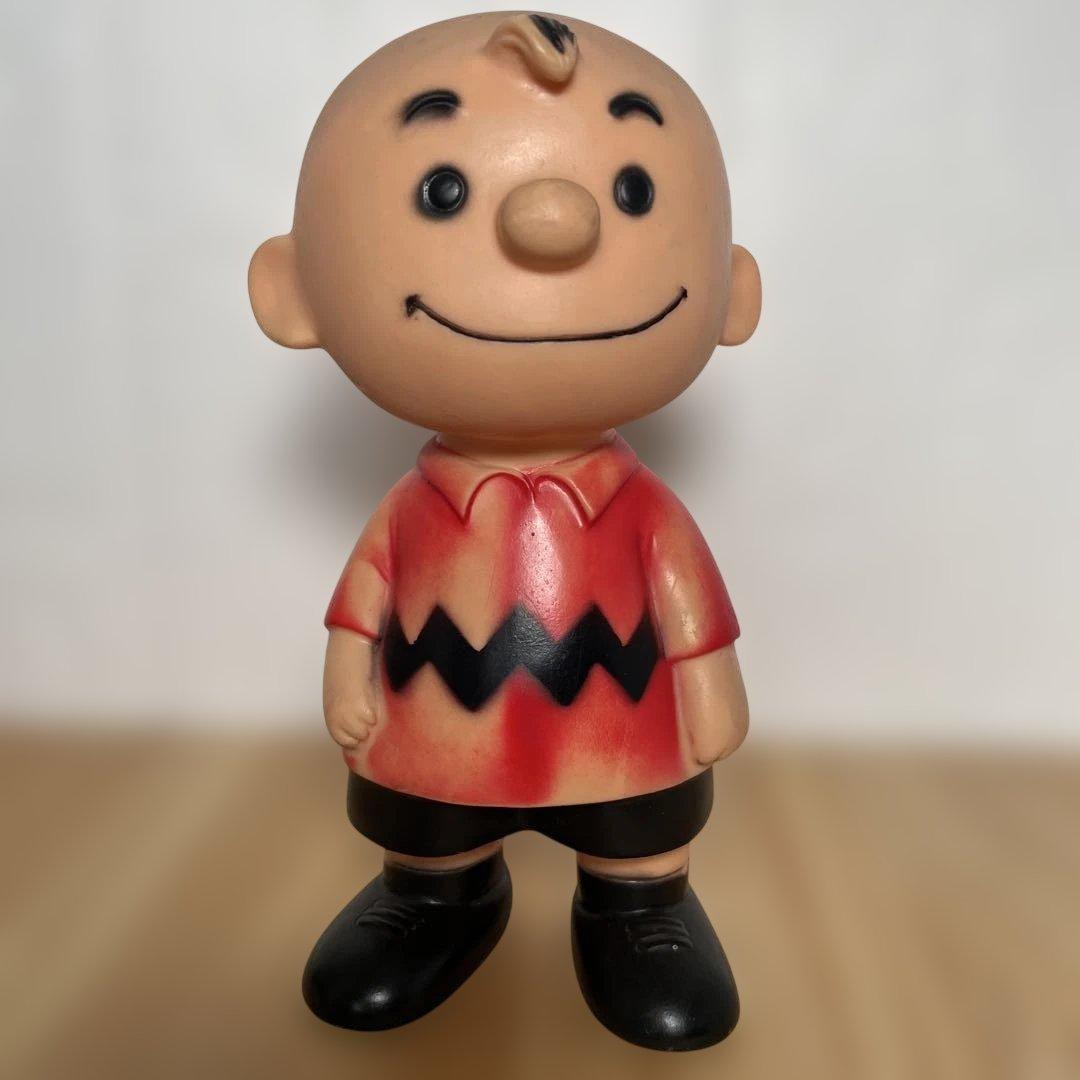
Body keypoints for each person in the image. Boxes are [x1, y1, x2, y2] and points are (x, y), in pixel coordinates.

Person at [249, 11, 762, 1052]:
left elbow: (688, 607)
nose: (552, 221)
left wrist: (711, 688)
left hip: (621, 738)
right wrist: (348, 675)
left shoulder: (646, 516)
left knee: (638, 827)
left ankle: (640, 908)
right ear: (293, 292)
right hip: (441, 735)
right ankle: (436, 897)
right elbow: (364, 601)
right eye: (444, 191)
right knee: (428, 824)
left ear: (733, 293)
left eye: (634, 190)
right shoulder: (409, 516)